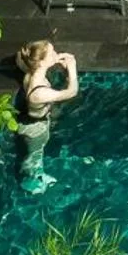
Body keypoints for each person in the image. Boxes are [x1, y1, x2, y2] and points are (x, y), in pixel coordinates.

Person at [15, 41, 79, 195]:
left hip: (31, 119)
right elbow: (71, 92)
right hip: (35, 129)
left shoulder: (31, 72)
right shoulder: (39, 93)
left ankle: (35, 174)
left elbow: (19, 59)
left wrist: (55, 60)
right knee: (35, 155)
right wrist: (72, 68)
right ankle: (30, 182)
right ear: (41, 62)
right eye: (52, 53)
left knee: (35, 153)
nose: (56, 54)